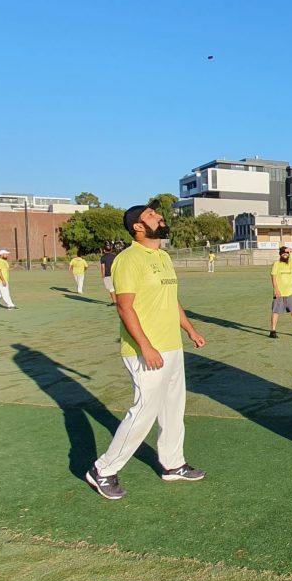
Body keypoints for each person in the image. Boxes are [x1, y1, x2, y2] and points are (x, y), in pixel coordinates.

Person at [85, 200, 207, 500]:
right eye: (152, 215)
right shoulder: (129, 260)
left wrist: (189, 330)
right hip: (145, 351)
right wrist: (146, 346)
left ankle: (173, 464)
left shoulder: (163, 256)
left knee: (173, 410)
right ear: (138, 227)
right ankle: (102, 470)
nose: (159, 216)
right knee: (143, 412)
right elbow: (124, 308)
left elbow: (171, 299)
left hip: (172, 347)